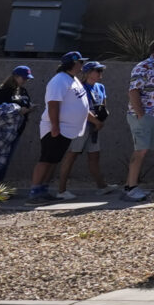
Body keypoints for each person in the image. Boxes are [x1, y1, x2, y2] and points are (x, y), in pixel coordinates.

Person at [29, 52, 90, 201]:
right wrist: (55, 126)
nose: (82, 65)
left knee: (54, 160)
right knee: (46, 159)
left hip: (67, 129)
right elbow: (53, 104)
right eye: (80, 62)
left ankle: (43, 189)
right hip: (56, 128)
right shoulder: (59, 80)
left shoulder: (73, 79)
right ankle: (35, 191)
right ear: (73, 63)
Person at [124, 37, 154, 199]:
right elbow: (133, 91)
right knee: (141, 150)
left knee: (144, 150)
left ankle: (131, 185)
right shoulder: (143, 66)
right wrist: (140, 114)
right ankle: (132, 188)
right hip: (143, 115)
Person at [0, 65, 33, 185]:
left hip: (14, 131)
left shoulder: (23, 90)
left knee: (5, 159)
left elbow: (25, 103)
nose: (26, 81)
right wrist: (17, 111)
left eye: (27, 79)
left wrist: (29, 108)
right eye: (23, 78)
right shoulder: (2, 91)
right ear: (15, 76)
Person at [61, 60, 105, 194]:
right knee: (72, 155)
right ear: (88, 73)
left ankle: (101, 186)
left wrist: (100, 120)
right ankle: (61, 189)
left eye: (100, 71)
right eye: (97, 71)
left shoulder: (100, 87)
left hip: (95, 126)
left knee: (94, 155)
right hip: (81, 125)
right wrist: (96, 121)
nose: (99, 73)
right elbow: (81, 108)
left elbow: (102, 105)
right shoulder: (80, 87)